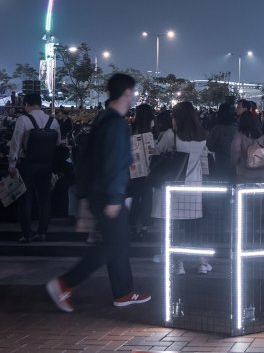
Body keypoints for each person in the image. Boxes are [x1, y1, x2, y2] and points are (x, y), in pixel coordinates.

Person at [46, 73, 150, 312]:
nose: (134, 96)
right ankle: (65, 283)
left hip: (99, 191)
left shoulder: (103, 119)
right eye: (133, 92)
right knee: (114, 243)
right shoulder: (115, 124)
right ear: (126, 93)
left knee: (118, 242)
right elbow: (114, 163)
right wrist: (115, 198)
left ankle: (123, 292)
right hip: (108, 194)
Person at [151, 102, 211, 275]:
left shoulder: (172, 135)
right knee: (194, 227)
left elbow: (157, 152)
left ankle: (179, 264)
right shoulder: (202, 136)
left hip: (175, 187)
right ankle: (201, 262)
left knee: (175, 226)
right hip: (195, 186)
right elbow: (204, 162)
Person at [9, 92, 61, 243]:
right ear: (40, 103)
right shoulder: (53, 121)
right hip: (46, 165)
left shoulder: (23, 120)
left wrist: (12, 164)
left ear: (27, 104)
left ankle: (27, 234)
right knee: (45, 199)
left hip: (28, 165)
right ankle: (42, 231)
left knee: (26, 198)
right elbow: (57, 144)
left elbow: (15, 144)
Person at [128, 103, 158, 240]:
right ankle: (145, 226)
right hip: (150, 168)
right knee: (147, 197)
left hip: (135, 168)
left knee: (134, 196)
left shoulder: (132, 128)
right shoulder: (154, 129)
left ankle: (132, 225)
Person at [231, 111, 264, 181]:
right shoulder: (259, 134)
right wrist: (262, 154)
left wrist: (236, 161)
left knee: (244, 190)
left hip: (245, 171)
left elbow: (235, 148)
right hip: (261, 171)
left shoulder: (240, 134)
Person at [206, 103, 238, 179]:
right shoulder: (237, 127)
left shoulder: (217, 129)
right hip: (237, 164)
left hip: (221, 163)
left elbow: (210, 147)